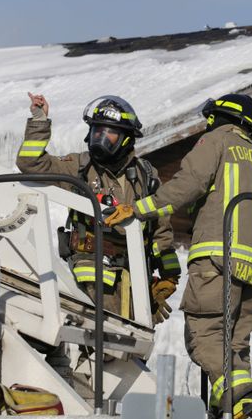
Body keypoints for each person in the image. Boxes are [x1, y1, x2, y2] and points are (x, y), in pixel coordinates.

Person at [105, 93, 252, 419]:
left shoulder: (215, 142)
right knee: (234, 341)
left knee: (203, 334)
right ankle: (226, 400)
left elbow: (187, 185)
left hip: (217, 259)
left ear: (217, 119)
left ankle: (237, 395)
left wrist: (139, 209)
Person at [16, 93, 181, 323]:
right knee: (105, 338)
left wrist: (169, 277)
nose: (100, 138)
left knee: (131, 347)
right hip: (92, 270)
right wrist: (39, 121)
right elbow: (30, 164)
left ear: (126, 138)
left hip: (136, 278)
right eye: (96, 131)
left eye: (108, 133)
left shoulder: (147, 176)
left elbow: (161, 229)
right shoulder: (80, 166)